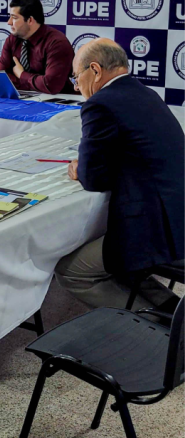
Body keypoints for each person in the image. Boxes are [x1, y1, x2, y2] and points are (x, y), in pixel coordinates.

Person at [55, 38, 184, 311]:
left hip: (155, 226)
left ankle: (159, 330)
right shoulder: (145, 93)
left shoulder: (101, 103)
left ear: (96, 70)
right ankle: (173, 315)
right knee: (122, 266)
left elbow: (93, 179)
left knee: (72, 270)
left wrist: (82, 168)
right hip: (176, 211)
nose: (77, 87)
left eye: (77, 78)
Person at [0, 0, 74, 94]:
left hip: (57, 103)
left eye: (14, 18)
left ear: (30, 20)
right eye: (9, 17)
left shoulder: (56, 43)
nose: (9, 22)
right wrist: (33, 83)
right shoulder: (12, 39)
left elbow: (51, 85)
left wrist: (21, 75)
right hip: (22, 99)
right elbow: (1, 77)